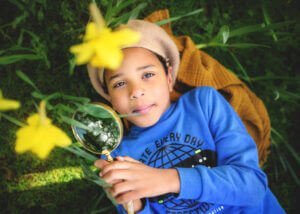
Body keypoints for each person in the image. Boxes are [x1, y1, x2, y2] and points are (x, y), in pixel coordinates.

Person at [88, 20, 285, 213]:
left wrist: (168, 180)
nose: (136, 91)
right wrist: (137, 207)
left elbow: (253, 186)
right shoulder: (119, 154)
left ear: (169, 77)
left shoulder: (203, 104)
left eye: (147, 75)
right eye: (119, 84)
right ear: (110, 98)